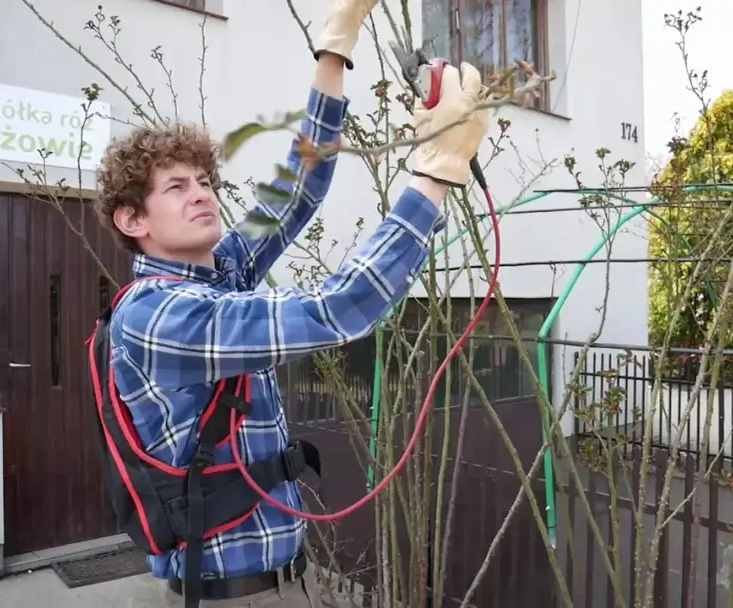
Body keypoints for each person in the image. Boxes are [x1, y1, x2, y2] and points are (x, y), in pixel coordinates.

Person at [92, 0, 492, 605]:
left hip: (291, 578)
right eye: (176, 187)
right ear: (131, 218)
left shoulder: (222, 270)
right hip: (231, 593)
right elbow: (341, 308)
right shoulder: (155, 317)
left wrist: (335, 50)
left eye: (204, 181)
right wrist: (434, 172)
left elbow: (302, 181)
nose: (201, 194)